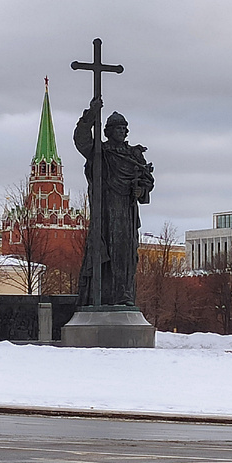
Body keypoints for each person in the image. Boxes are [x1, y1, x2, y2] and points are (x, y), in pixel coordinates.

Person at [74, 98, 154, 307]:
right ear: (107, 131)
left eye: (124, 128)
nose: (123, 132)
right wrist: (91, 114)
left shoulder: (133, 155)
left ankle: (124, 295)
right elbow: (81, 140)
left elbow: (147, 180)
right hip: (105, 211)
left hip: (126, 212)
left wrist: (141, 190)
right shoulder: (100, 152)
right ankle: (98, 297)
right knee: (103, 253)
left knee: (125, 254)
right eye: (118, 128)